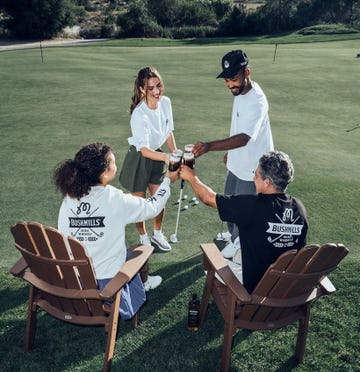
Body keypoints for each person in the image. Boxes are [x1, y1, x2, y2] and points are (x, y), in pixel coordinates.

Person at [54, 142, 179, 320]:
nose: (116, 164)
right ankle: (143, 283)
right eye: (113, 162)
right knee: (141, 250)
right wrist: (167, 180)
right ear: (104, 173)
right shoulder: (115, 199)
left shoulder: (69, 197)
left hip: (73, 283)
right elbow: (154, 207)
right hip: (107, 290)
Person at [180, 151, 308, 294]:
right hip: (286, 285)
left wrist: (191, 177)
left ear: (267, 182)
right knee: (241, 252)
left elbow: (207, 197)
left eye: (256, 174)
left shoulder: (252, 206)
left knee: (210, 262)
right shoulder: (299, 207)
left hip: (256, 287)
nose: (253, 178)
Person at [192, 50, 274, 259]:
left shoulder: (257, 100)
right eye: (227, 80)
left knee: (244, 212)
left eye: (234, 79)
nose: (230, 85)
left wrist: (209, 146)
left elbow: (244, 137)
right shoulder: (240, 92)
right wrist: (231, 153)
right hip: (238, 162)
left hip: (253, 169)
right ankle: (234, 237)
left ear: (247, 72)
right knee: (230, 205)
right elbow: (238, 128)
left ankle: (240, 246)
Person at [119, 66, 177, 252]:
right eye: (150, 88)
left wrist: (175, 153)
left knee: (159, 198)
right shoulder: (139, 114)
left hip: (159, 155)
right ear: (142, 89)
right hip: (140, 158)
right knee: (140, 203)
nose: (156, 91)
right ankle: (143, 237)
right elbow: (144, 150)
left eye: (158, 86)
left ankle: (157, 234)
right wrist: (166, 157)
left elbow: (168, 132)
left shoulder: (166, 102)